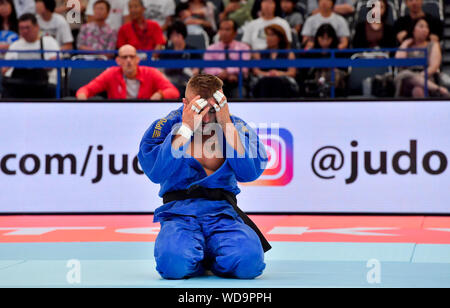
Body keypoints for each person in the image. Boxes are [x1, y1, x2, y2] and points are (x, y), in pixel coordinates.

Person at [137, 73, 270, 279]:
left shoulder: (236, 126)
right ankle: (195, 255)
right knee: (174, 266)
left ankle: (210, 256)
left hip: (223, 214)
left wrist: (226, 124)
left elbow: (250, 173)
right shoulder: (164, 127)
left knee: (249, 263)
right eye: (200, 110)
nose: (207, 119)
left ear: (222, 104)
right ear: (186, 103)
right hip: (179, 214)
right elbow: (156, 173)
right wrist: (186, 129)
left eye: (214, 110)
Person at [76, 44, 180, 99]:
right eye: (124, 57)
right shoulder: (111, 73)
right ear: (118, 61)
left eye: (131, 56)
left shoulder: (151, 72)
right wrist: (82, 97)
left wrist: (161, 94)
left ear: (137, 59)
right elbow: (85, 90)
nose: (128, 60)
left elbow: (174, 92)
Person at [1, 13, 60, 98]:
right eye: (21, 28)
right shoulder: (15, 45)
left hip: (43, 84)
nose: (25, 31)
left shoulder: (49, 41)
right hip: (19, 84)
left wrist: (36, 65)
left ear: (37, 27)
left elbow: (56, 60)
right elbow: (4, 70)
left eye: (27, 28)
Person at [394, 17, 449, 98]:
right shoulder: (407, 45)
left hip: (427, 77)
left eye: (427, 27)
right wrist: (405, 43)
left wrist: (420, 77)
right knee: (405, 74)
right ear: (413, 29)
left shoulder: (433, 45)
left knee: (418, 89)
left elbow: (434, 66)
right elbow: (399, 62)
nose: (425, 29)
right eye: (421, 26)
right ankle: (438, 89)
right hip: (405, 80)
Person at [203, 19, 251, 98]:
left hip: (237, 83)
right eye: (221, 29)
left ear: (235, 32)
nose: (224, 32)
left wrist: (227, 72)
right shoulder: (211, 49)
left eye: (227, 29)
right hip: (216, 84)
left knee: (241, 93)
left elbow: (244, 68)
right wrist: (224, 73)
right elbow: (208, 69)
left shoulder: (243, 48)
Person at [251, 24, 298, 98]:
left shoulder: (289, 54)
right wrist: (269, 74)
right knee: (266, 81)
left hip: (283, 82)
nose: (268, 38)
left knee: (278, 82)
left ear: (280, 38)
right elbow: (256, 71)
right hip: (264, 81)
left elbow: (292, 72)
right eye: (267, 35)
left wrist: (278, 73)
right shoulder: (259, 53)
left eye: (272, 35)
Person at [159, 21, 201, 95]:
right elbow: (162, 71)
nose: (175, 38)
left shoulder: (194, 51)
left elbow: (196, 71)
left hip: (188, 84)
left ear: (183, 35)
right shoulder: (166, 52)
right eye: (172, 35)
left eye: (177, 35)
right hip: (170, 83)